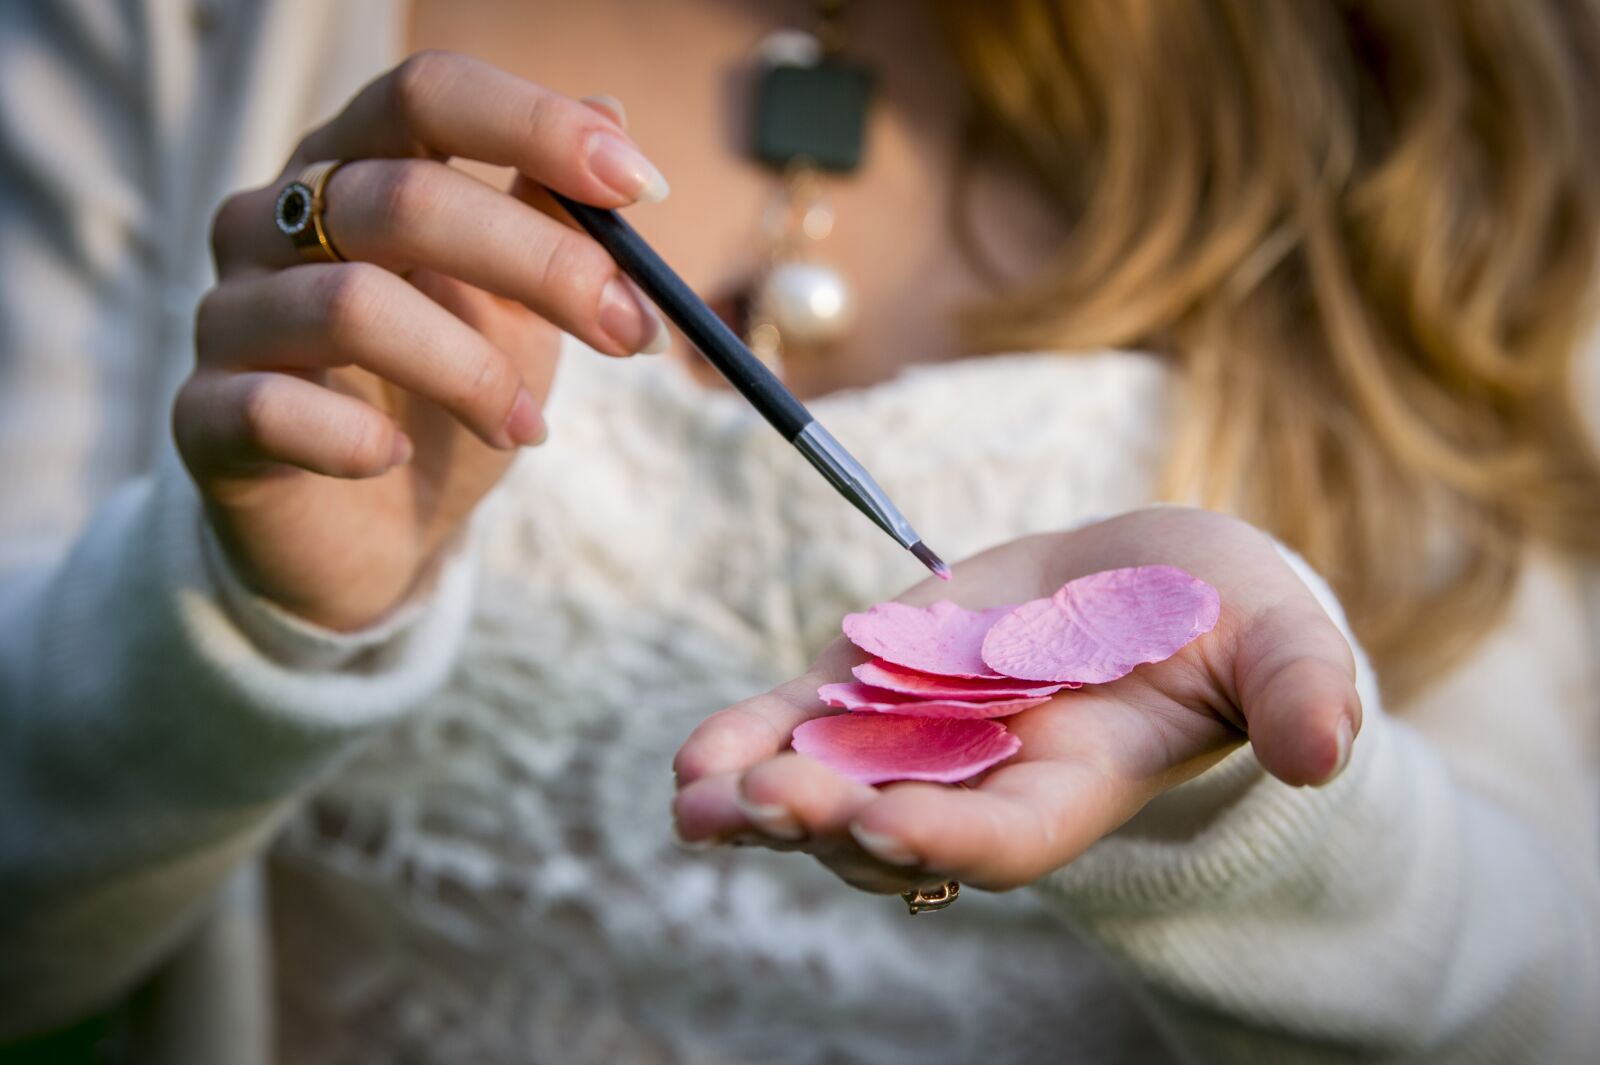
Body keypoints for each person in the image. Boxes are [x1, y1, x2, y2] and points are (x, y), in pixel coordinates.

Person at [2, 0, 1597, 1062]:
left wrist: (1257, 798)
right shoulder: (189, 34)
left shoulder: (1424, 95)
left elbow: (1550, 999)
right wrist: (242, 614)